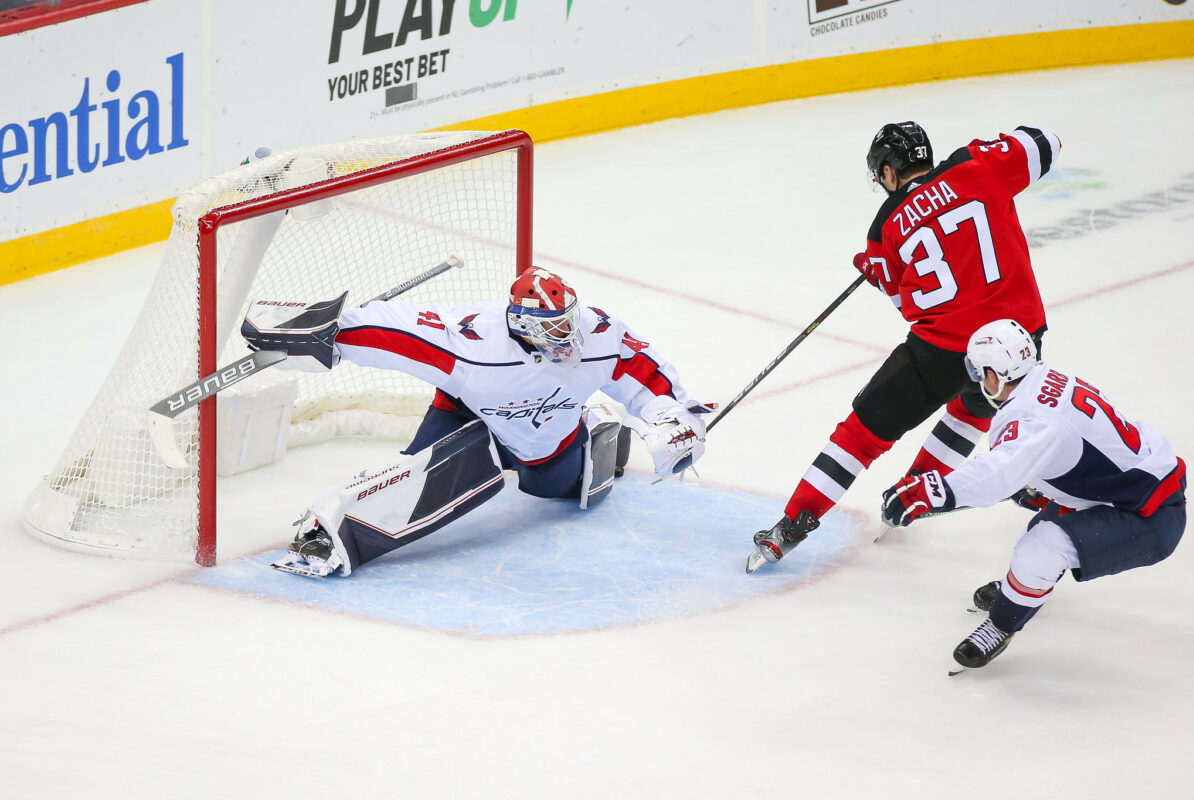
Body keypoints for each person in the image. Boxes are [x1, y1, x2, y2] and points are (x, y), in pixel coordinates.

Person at [243, 266, 709, 578]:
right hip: (468, 412)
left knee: (551, 485)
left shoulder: (599, 331)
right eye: (550, 328)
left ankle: (600, 430)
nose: (566, 335)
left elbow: (647, 373)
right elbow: (395, 331)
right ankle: (338, 535)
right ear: (520, 322)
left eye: (566, 320)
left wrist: (673, 419)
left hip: (549, 431)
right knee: (419, 472)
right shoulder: (471, 340)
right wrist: (328, 334)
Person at [748, 120, 1062, 572]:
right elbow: (1045, 141)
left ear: (890, 172)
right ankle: (918, 490)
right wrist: (997, 149)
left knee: (861, 434)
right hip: (1017, 338)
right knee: (974, 408)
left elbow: (909, 304)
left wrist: (877, 271)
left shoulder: (884, 230)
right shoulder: (975, 166)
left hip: (942, 349)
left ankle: (794, 523)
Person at [881, 319, 1187, 672]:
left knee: (1042, 545)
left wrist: (935, 491)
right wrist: (1041, 486)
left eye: (980, 372)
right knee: (1040, 535)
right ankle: (1024, 589)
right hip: (1136, 487)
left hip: (1149, 516)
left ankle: (1001, 624)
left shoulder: (1032, 419)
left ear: (997, 374)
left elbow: (997, 474)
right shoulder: (1048, 379)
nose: (980, 381)